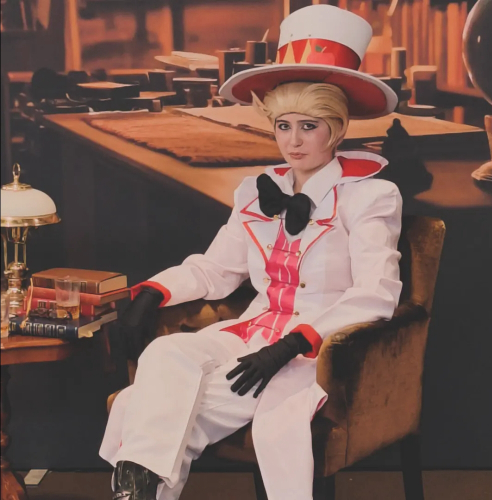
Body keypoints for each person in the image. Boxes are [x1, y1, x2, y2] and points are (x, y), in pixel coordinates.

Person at [100, 5, 402, 500]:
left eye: (309, 126)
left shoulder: (371, 196)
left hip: (313, 353)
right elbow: (217, 269)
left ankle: (138, 488)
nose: (293, 141)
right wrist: (154, 292)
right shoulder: (255, 191)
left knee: (148, 406)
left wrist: (292, 344)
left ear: (337, 128)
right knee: (165, 352)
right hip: (248, 334)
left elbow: (377, 293)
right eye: (283, 125)